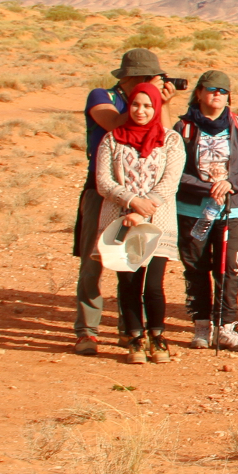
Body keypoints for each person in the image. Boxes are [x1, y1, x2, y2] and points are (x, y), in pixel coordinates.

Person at [74, 48, 177, 355]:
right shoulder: (100, 96)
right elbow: (118, 127)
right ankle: (87, 330)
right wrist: (145, 102)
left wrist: (163, 104)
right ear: (134, 77)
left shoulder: (152, 103)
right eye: (149, 79)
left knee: (136, 265)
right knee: (96, 262)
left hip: (150, 204)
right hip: (103, 195)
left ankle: (129, 330)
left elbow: (165, 135)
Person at [95, 82, 185, 363]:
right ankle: (135, 337)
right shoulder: (112, 139)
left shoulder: (170, 140)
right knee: (129, 281)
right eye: (135, 105)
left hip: (158, 221)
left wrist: (142, 210)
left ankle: (157, 336)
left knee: (154, 285)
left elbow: (170, 181)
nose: (141, 111)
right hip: (121, 221)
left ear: (156, 108)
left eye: (148, 106)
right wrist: (131, 202)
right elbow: (103, 181)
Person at [173, 70, 238, 352]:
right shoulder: (183, 128)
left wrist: (231, 184)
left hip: (231, 210)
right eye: (211, 89)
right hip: (192, 209)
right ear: (198, 92)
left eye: (223, 90)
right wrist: (206, 187)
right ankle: (201, 326)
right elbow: (173, 169)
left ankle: (226, 328)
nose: (217, 94)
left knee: (229, 268)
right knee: (196, 267)